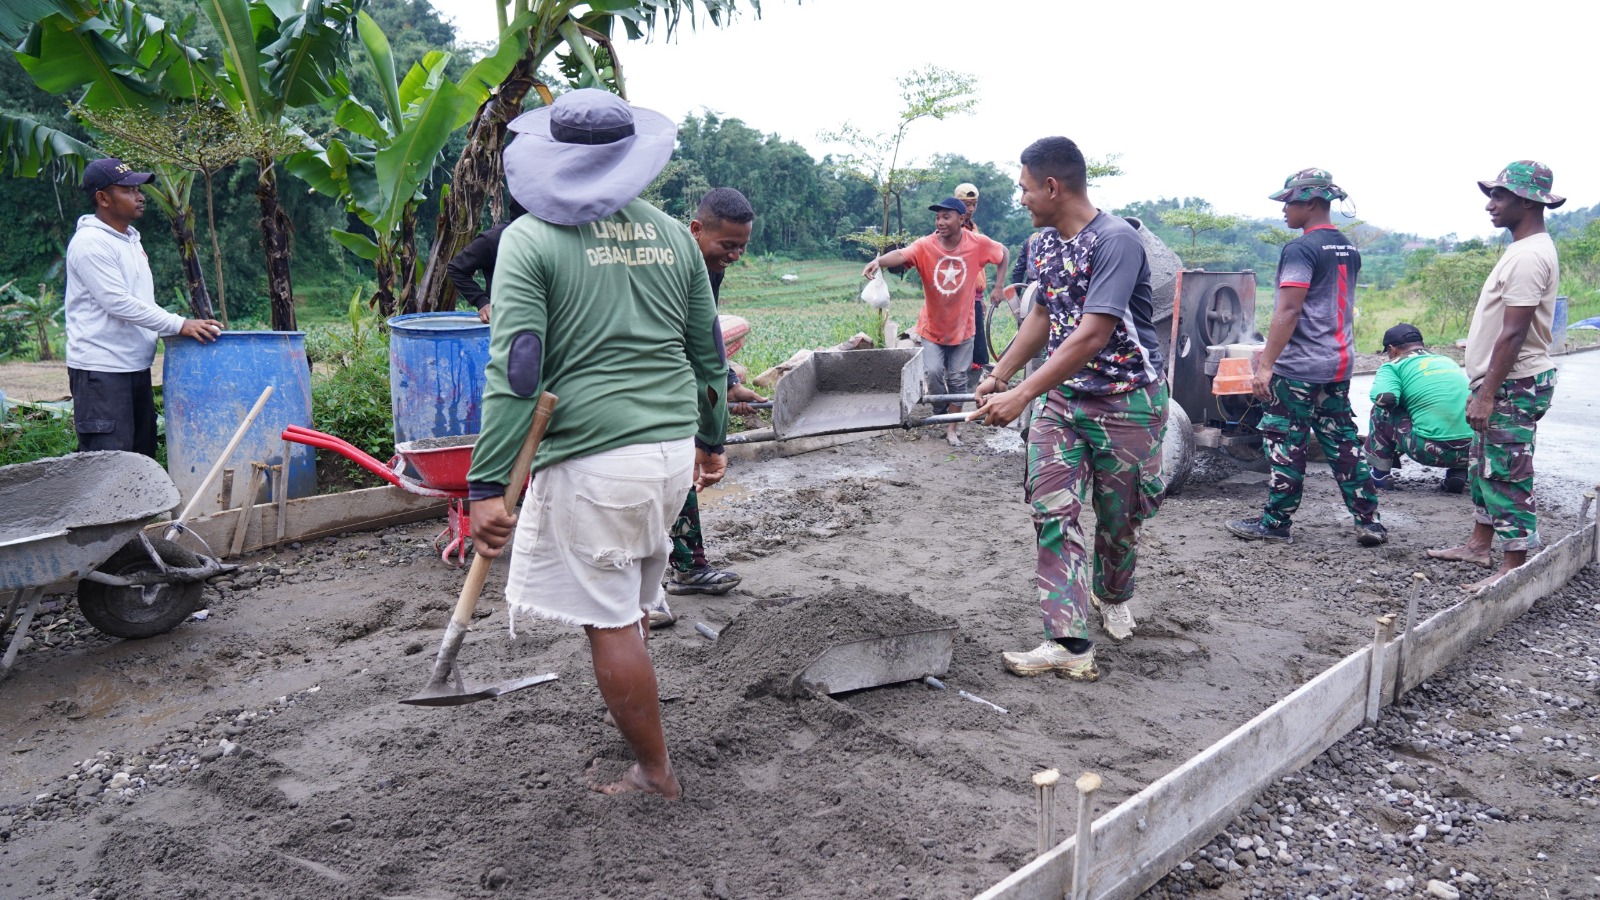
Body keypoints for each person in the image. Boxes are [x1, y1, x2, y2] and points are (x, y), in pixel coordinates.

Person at [467, 90, 728, 800]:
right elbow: (707, 351)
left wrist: (486, 485)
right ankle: (641, 735)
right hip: (669, 449)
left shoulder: (529, 239)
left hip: (595, 462)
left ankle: (653, 771)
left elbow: (517, 370)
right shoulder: (673, 235)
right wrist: (712, 440)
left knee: (608, 621)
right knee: (631, 602)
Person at [974, 137, 1169, 681]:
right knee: (1052, 511)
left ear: (1052, 186)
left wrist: (1021, 395)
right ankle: (1068, 641)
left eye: (1024, 187)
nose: (1022, 198)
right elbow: (1043, 319)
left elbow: (1092, 334)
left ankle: (1114, 593)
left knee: (1119, 522)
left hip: (1127, 403)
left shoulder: (1116, 242)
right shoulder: (1040, 245)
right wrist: (999, 376)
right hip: (1063, 402)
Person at [1224, 168, 1385, 547]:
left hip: (1299, 368)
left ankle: (1276, 523)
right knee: (1342, 440)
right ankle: (1369, 521)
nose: (1283, 209)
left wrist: (1266, 365)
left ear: (1311, 203)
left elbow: (1289, 311)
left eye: (1289, 202)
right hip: (1338, 362)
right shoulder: (1347, 246)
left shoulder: (1301, 249)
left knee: (1285, 440)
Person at [1427, 161, 1564, 591]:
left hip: (1512, 383)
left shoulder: (1529, 255)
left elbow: (1515, 331)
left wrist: (1487, 393)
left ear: (1527, 201)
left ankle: (1513, 567)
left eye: (1499, 196)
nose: (1490, 205)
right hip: (1502, 379)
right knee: (1482, 468)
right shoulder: (1523, 248)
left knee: (1507, 471)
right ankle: (1479, 544)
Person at [652, 188, 764, 618]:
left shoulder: (707, 264)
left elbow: (707, 332)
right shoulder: (665, 264)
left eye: (742, 246)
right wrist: (712, 438)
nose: (734, 255)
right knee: (661, 470)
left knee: (676, 468)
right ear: (696, 230)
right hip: (652, 376)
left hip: (678, 377)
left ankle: (684, 566)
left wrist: (729, 381)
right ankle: (646, 590)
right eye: (727, 245)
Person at [65, 157, 222, 458]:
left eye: (138, 189)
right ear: (103, 198)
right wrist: (179, 324)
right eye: (128, 190)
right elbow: (117, 302)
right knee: (110, 462)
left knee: (141, 459)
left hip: (135, 367)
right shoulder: (90, 243)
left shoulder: (130, 240)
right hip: (102, 371)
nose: (139, 197)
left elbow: (140, 302)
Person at [863, 197, 1007, 447]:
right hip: (932, 327)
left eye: (946, 217)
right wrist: (879, 261)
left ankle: (952, 428)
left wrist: (999, 285)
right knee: (932, 374)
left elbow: (1003, 253)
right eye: (937, 217)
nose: (940, 222)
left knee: (958, 379)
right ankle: (942, 412)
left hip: (964, 328)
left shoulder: (977, 243)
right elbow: (901, 253)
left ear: (962, 220)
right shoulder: (925, 245)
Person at [1366, 323, 1472, 493]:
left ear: (1391, 350)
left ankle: (1380, 474)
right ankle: (1457, 473)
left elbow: (1386, 398)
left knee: (1380, 409)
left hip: (1428, 450)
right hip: (1472, 451)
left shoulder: (1394, 365)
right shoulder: (1447, 361)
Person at [444, 197, 528, 323]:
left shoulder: (549, 238)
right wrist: (482, 302)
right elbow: (456, 268)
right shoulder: (494, 239)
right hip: (505, 324)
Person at [956, 182, 990, 371]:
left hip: (975, 295)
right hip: (962, 295)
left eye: (973, 204)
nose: (970, 209)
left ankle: (972, 387)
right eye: (966, 204)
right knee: (965, 341)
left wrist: (981, 297)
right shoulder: (955, 229)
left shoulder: (973, 227)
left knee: (976, 341)